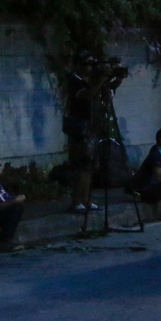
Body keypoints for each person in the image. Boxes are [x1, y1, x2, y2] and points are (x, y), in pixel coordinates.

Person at [65, 52, 97, 213]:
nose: (90, 67)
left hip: (88, 126)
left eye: (92, 64)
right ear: (78, 65)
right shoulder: (74, 81)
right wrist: (102, 80)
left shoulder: (86, 81)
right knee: (82, 165)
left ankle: (86, 200)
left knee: (89, 166)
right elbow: (88, 96)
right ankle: (77, 200)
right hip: (79, 127)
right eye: (87, 64)